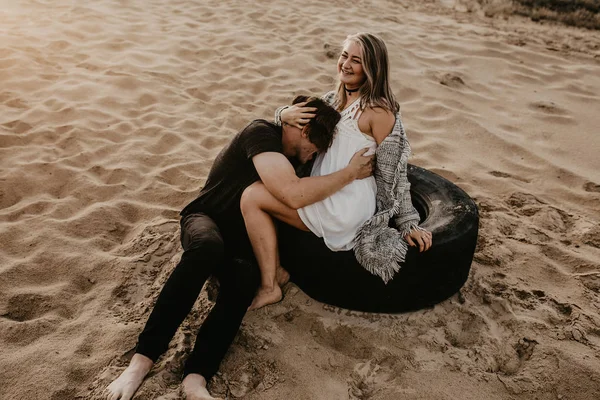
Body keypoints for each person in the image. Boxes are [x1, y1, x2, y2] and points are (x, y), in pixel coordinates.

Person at [103, 96, 375, 400]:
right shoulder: (261, 134)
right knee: (208, 247)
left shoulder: (298, 159)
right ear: (301, 129)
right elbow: (292, 194)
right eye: (314, 146)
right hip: (207, 220)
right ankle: (141, 362)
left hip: (240, 242)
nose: (314, 156)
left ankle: (196, 379)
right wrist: (350, 173)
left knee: (246, 279)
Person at [243, 32, 433, 311]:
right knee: (263, 188)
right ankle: (277, 273)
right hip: (324, 189)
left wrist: (407, 222)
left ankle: (270, 285)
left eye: (356, 60)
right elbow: (291, 124)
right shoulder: (332, 100)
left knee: (252, 197)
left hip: (345, 204)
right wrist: (282, 113)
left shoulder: (378, 112)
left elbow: (396, 171)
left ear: (372, 68)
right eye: (344, 55)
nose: (346, 64)